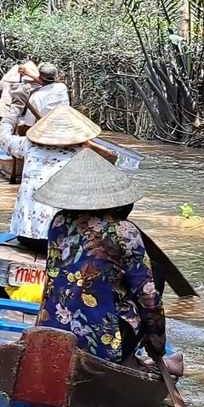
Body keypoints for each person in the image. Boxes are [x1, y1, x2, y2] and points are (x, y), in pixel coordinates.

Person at [31, 148, 170, 368]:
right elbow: (149, 298)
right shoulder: (124, 231)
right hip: (101, 345)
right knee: (156, 273)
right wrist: (157, 343)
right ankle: (131, 356)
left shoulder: (58, 222)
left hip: (49, 334)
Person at [0, 105, 101, 251]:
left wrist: (14, 111)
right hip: (63, 241)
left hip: (27, 237)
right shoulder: (84, 155)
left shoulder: (28, 145)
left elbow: (1, 138)